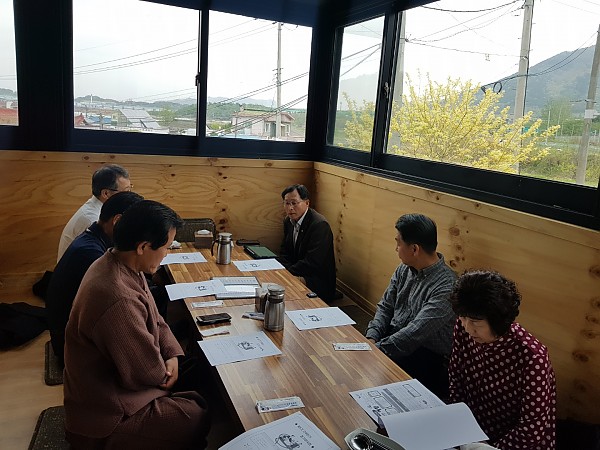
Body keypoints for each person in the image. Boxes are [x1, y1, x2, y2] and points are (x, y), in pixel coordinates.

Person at [63, 200, 210, 449]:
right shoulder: (116, 296)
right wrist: (166, 370)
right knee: (196, 415)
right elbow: (147, 373)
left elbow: (157, 318)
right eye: (166, 247)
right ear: (143, 247)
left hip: (123, 384)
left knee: (198, 368)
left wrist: (172, 355)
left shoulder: (121, 262)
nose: (166, 254)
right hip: (105, 414)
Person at [448, 270, 556, 449]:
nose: (467, 328)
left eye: (476, 322)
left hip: (516, 442)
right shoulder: (463, 327)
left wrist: (485, 448)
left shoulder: (532, 357)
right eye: (463, 318)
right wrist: (464, 429)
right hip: (472, 430)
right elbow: (456, 377)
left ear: (498, 321)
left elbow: (532, 429)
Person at [46, 191, 144, 365]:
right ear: (118, 221)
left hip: (69, 331)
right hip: (71, 346)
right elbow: (118, 301)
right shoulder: (90, 253)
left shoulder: (93, 237)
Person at [365, 213, 456, 398]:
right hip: (392, 338)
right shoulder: (403, 268)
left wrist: (376, 351)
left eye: (398, 243)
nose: (396, 249)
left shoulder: (447, 285)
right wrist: (371, 338)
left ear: (414, 249)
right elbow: (385, 306)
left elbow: (416, 332)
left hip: (424, 355)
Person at [57, 164, 132, 262]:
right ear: (106, 193)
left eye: (130, 189)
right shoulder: (92, 219)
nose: (129, 195)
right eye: (126, 191)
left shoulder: (101, 208)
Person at [278, 184, 337, 302]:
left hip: (315, 279)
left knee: (282, 287)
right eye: (287, 203)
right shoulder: (288, 221)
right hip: (296, 271)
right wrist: (284, 271)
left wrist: (287, 274)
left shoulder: (319, 225)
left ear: (307, 203)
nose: (290, 208)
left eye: (294, 203)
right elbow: (284, 252)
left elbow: (312, 262)